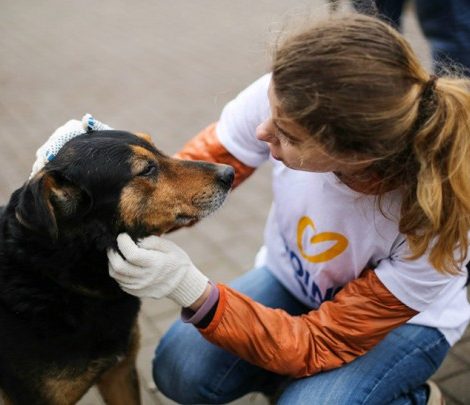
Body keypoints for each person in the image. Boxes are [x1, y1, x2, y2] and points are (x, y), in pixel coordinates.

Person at [34, 13, 470, 405]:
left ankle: (407, 396)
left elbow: (321, 342)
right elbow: (189, 186)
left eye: (287, 135)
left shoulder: (435, 224)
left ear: (355, 154)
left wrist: (193, 290)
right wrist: (91, 176)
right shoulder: (289, 94)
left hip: (403, 328)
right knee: (178, 369)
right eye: (271, 109)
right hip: (293, 280)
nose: (264, 129)